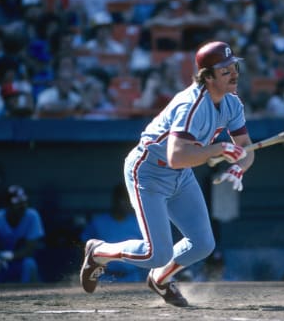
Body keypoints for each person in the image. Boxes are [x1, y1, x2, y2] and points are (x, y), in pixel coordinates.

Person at [80, 41, 255, 307]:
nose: (234, 73)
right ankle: (98, 252)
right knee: (156, 253)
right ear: (207, 76)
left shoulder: (232, 103)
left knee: (203, 245)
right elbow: (176, 157)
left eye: (234, 67)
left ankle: (159, 279)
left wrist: (238, 167)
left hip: (181, 176)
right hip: (148, 171)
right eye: (225, 70)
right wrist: (217, 149)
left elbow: (246, 149)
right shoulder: (191, 104)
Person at [81, 184, 146, 282]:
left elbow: (147, 250)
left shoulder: (138, 222)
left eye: (126, 199)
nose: (123, 203)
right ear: (114, 200)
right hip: (105, 277)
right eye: (120, 199)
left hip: (131, 277)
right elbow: (84, 244)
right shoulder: (98, 222)